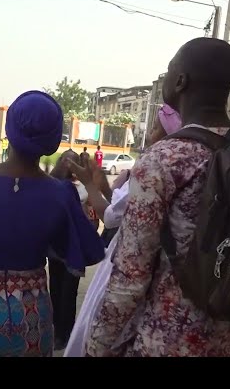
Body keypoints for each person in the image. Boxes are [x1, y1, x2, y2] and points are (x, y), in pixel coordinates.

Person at [83, 37, 230, 357]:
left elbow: (130, 277)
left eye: (170, 69)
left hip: (165, 340)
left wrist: (95, 344)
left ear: (181, 80)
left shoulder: (164, 159)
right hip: (226, 339)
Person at [0, 90, 105, 357]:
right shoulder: (61, 193)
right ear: (52, 140)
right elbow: (88, 250)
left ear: (9, 129)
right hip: (32, 321)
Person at [63, 105, 182, 357]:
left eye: (154, 127)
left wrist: (88, 183)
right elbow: (121, 207)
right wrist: (101, 184)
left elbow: (111, 216)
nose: (149, 133)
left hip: (133, 259)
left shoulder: (155, 164)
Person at [48, 149, 90, 350]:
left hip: (74, 249)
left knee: (68, 294)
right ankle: (58, 331)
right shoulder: (50, 183)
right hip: (56, 248)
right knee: (55, 290)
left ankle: (68, 333)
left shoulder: (81, 187)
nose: (68, 164)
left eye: (72, 161)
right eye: (65, 160)